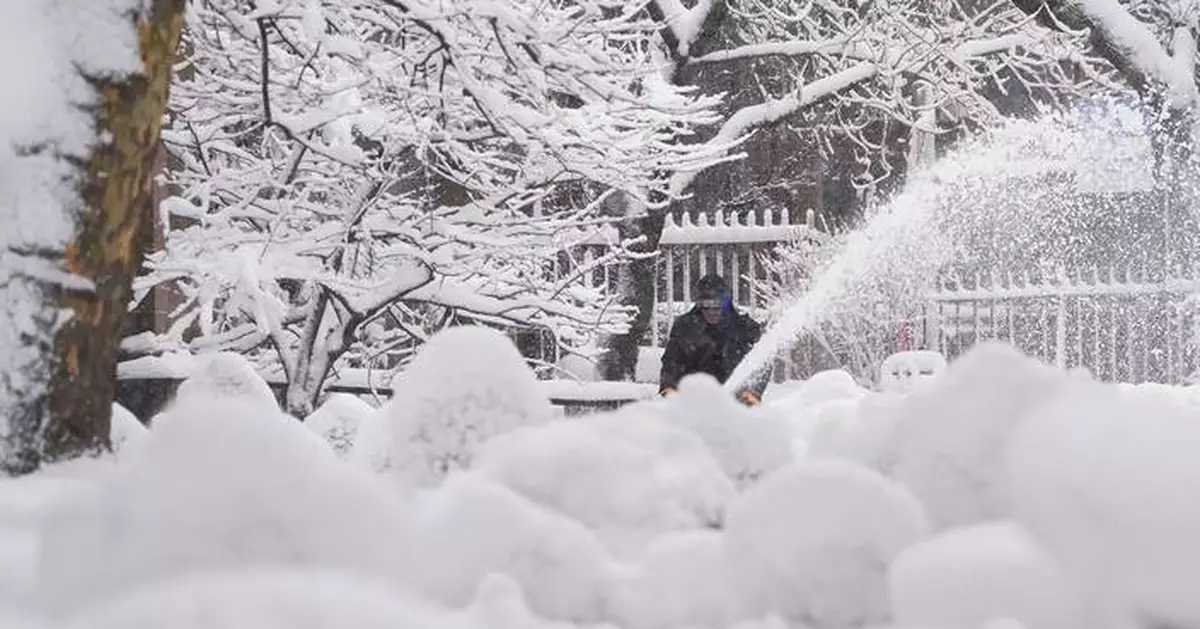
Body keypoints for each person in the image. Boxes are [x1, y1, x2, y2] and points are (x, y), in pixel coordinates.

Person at [658, 273, 769, 406]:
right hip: (692, 404)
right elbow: (671, 362)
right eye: (705, 305)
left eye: (717, 305)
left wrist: (753, 393)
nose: (711, 311)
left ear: (726, 303)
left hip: (737, 406)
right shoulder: (684, 327)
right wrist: (669, 389)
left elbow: (763, 363)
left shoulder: (745, 329)